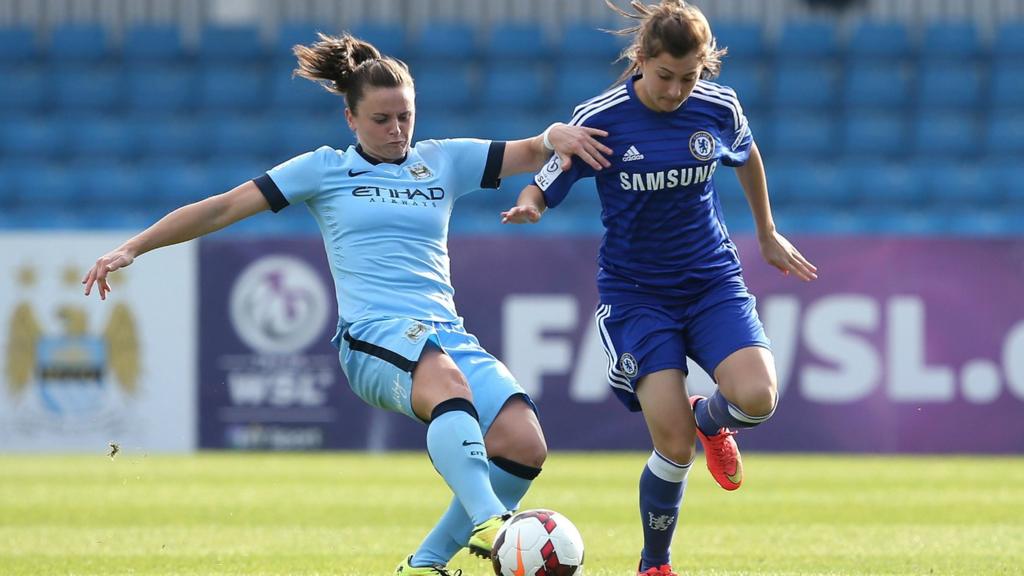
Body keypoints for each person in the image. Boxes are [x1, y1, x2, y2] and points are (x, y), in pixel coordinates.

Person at [82, 32, 612, 576]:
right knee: (448, 386)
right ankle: (491, 523)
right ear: (350, 119)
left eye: (404, 116)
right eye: (381, 119)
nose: (396, 130)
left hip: (444, 332)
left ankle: (423, 565)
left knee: (523, 441)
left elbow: (528, 151)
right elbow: (222, 208)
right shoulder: (325, 169)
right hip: (373, 335)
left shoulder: (442, 162)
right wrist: (133, 246)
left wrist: (554, 134)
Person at [501, 2, 818, 575]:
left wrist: (767, 233)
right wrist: (528, 205)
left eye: (689, 77)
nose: (675, 90)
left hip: (711, 281)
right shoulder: (601, 118)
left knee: (758, 398)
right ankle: (655, 564)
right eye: (665, 75)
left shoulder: (718, 108)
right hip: (636, 296)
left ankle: (711, 419)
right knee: (672, 446)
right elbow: (547, 180)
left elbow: (747, 158)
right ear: (641, 60)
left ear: (705, 67)